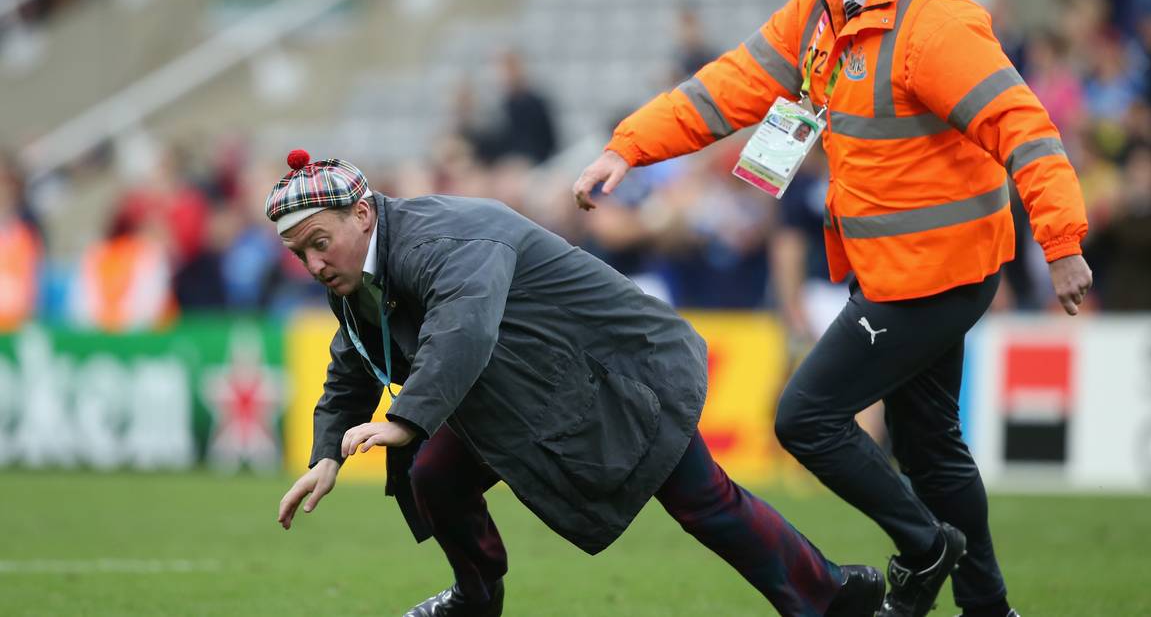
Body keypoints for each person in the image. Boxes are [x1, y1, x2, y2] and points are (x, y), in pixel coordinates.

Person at [572, 0, 1094, 617]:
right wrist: (627, 146)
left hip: (934, 276)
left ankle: (926, 546)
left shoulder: (933, 24)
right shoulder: (822, 7)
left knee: (805, 417)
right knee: (929, 444)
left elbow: (1021, 123)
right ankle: (988, 606)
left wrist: (1061, 241)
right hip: (898, 271)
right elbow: (731, 83)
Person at [268, 149, 884, 617]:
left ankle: (831, 596)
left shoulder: (442, 239)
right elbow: (351, 361)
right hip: (529, 388)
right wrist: (327, 456)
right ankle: (475, 600)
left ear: (364, 212)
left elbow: (463, 331)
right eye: (301, 254)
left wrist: (405, 421)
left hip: (620, 372)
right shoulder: (357, 272)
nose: (315, 265)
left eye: (320, 243)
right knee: (435, 476)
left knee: (705, 503)